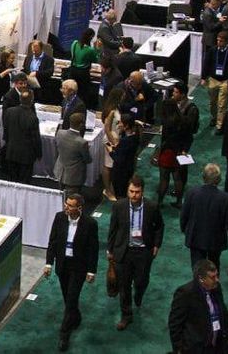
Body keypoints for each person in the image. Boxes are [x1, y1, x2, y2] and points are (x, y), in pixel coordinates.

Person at [107, 176, 164, 331]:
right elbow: (113, 229)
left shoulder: (152, 207)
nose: (134, 195)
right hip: (123, 252)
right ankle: (126, 315)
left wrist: (157, 245)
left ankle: (138, 294)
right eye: (131, 191)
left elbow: (159, 226)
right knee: (124, 285)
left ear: (142, 191)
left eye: (137, 192)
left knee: (141, 281)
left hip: (144, 252)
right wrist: (110, 250)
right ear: (128, 190)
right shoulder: (119, 206)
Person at [44, 193, 98, 352]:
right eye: (66, 204)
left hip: (78, 267)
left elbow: (93, 248)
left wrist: (91, 270)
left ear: (79, 208)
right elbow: (53, 241)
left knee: (72, 298)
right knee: (68, 297)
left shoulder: (90, 223)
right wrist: (48, 263)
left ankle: (64, 334)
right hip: (63, 265)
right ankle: (76, 316)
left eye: (70, 205)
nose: (66, 207)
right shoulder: (59, 217)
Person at [167, 259, 228, 353]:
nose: (217, 280)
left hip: (217, 344)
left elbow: (224, 312)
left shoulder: (216, 287)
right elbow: (175, 324)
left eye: (217, 275)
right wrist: (179, 349)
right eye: (212, 277)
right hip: (197, 348)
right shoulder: (185, 293)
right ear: (201, 278)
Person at [181, 164, 228, 272]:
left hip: (196, 236)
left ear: (203, 177)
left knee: (197, 267)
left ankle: (198, 282)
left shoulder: (192, 193)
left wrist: (185, 230)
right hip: (215, 239)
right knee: (214, 265)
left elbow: (184, 215)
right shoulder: (225, 198)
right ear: (219, 180)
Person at [204, 32, 228, 131]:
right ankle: (214, 117)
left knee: (222, 104)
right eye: (217, 40)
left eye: (221, 41)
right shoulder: (212, 50)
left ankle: (220, 125)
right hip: (213, 80)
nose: (218, 42)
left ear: (226, 42)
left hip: (225, 81)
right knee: (212, 103)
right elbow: (206, 64)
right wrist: (203, 78)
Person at [3, 91, 42, 184]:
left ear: (20, 99)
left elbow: (6, 131)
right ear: (32, 101)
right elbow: (35, 139)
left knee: (12, 182)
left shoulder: (9, 111)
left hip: (11, 152)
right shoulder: (32, 117)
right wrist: (39, 153)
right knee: (24, 183)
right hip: (26, 156)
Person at [54, 112, 91, 195]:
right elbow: (88, 160)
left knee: (61, 197)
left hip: (60, 173)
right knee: (72, 199)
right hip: (73, 177)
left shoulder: (60, 133)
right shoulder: (82, 143)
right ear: (81, 125)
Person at [110, 115, 141, 206]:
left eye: (120, 122)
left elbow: (119, 160)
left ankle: (122, 209)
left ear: (126, 125)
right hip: (129, 169)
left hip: (121, 172)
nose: (118, 124)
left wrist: (111, 151)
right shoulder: (135, 136)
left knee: (121, 193)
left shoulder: (125, 141)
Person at [67, 28, 99, 109]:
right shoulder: (90, 50)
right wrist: (97, 49)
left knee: (71, 90)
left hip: (73, 70)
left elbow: (72, 55)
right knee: (82, 93)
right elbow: (96, 60)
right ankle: (80, 108)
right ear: (91, 37)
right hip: (83, 73)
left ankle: (69, 106)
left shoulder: (74, 43)